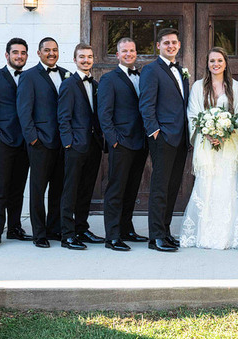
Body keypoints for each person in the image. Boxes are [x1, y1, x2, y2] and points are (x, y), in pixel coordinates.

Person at [180, 47, 238, 250]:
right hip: (206, 145)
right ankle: (205, 234)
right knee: (206, 187)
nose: (216, 64)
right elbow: (193, 113)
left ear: (226, 63)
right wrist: (206, 132)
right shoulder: (199, 86)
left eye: (219, 60)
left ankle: (227, 235)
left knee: (226, 187)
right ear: (207, 64)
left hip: (229, 146)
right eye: (212, 61)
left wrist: (225, 133)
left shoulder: (235, 86)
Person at [139, 28, 190, 252]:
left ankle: (166, 232)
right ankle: (156, 237)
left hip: (180, 138)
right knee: (160, 188)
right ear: (158, 46)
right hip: (163, 138)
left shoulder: (180, 70)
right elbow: (146, 104)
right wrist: (154, 132)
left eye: (174, 43)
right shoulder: (151, 70)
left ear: (179, 45)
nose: (171, 46)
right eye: (166, 43)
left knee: (171, 187)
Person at [0, 38, 33, 249]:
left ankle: (14, 228)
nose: (19, 56)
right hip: (2, 141)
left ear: (27, 56)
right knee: (0, 189)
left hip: (25, 141)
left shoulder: (30, 77)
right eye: (15, 52)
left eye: (23, 53)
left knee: (18, 189)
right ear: (7, 55)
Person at [17, 37, 70, 248]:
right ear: (39, 53)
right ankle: (39, 233)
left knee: (58, 188)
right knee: (38, 189)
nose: (51, 53)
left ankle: (54, 228)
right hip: (40, 142)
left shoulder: (67, 74)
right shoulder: (29, 76)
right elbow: (24, 111)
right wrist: (33, 139)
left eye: (55, 50)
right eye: (47, 50)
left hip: (63, 142)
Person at [97, 37, 149, 252]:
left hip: (140, 142)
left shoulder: (142, 76)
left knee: (131, 189)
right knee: (116, 190)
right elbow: (104, 114)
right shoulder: (110, 79)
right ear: (117, 54)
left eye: (132, 50)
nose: (129, 54)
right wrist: (114, 141)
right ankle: (112, 236)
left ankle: (127, 229)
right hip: (122, 143)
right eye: (124, 51)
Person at [58, 43, 105, 250]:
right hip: (75, 146)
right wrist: (68, 143)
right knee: (70, 191)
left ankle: (81, 228)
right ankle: (67, 235)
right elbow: (63, 117)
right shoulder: (69, 84)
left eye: (89, 57)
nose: (86, 60)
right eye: (82, 57)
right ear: (75, 60)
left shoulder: (95, 84)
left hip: (93, 145)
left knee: (86, 190)